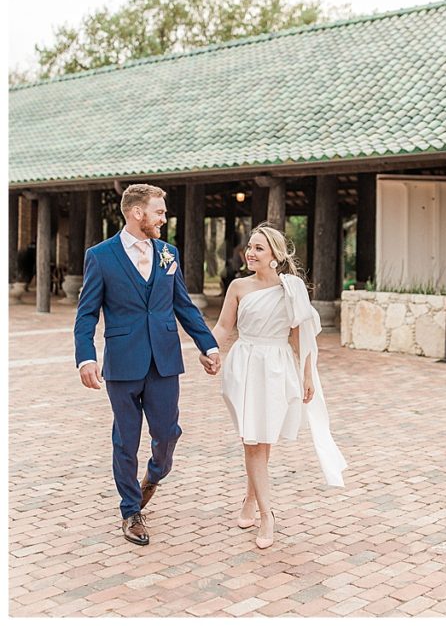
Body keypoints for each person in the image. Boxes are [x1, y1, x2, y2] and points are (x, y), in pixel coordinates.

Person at [75, 184, 221, 546]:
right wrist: (86, 357)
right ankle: (130, 510)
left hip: (165, 359)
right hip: (123, 361)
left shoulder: (168, 253)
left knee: (168, 432)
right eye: (159, 211)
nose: (164, 217)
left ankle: (154, 475)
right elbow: (87, 313)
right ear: (137, 213)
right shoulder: (101, 256)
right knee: (126, 440)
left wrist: (209, 345)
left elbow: (184, 305)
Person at [210, 223, 346, 549]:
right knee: (251, 438)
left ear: (274, 255)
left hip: (277, 366)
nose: (250, 253)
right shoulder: (238, 287)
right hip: (244, 364)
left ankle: (250, 499)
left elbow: (302, 336)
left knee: (264, 438)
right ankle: (267, 514)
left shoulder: (292, 288)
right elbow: (223, 327)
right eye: (249, 247)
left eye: (258, 248)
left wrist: (308, 376)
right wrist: (209, 352)